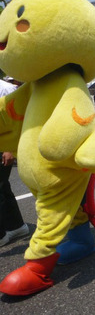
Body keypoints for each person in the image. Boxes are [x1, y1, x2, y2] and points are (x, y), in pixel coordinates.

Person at [0, 79, 29, 247]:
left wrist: (9, 149)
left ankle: (2, 234)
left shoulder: (6, 88)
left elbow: (17, 119)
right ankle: (17, 226)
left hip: (4, 146)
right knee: (3, 186)